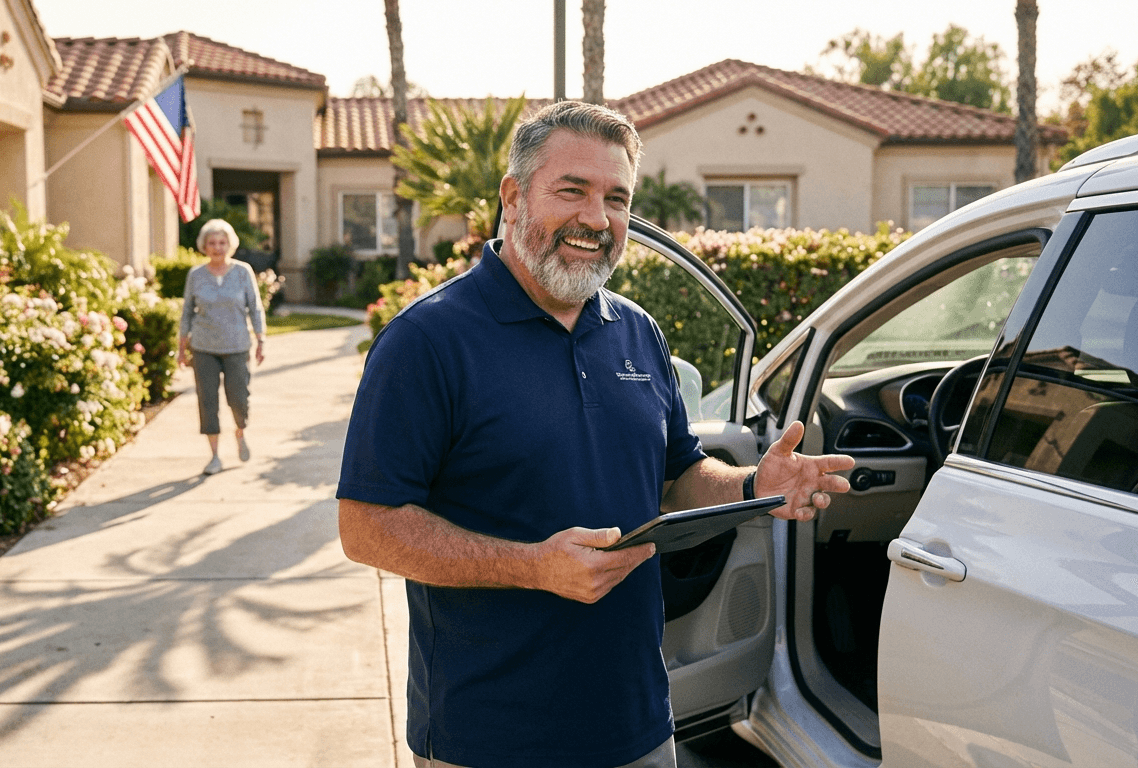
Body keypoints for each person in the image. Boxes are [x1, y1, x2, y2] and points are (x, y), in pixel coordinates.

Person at [336, 101, 855, 768]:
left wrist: (754, 484)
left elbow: (679, 475)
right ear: (514, 197)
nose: (595, 218)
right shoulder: (427, 340)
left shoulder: (637, 330)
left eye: (616, 198)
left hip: (636, 723)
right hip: (488, 735)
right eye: (572, 190)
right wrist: (532, 567)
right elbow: (366, 527)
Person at [178, 218, 266, 475]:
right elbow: (187, 313)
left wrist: (261, 340)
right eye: (212, 243)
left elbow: (255, 308)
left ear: (230, 244)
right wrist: (182, 347)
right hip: (203, 346)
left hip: (237, 345)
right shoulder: (196, 275)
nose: (217, 247)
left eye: (222, 242)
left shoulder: (242, 271)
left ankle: (240, 432)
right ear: (204, 246)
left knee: (239, 398)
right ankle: (214, 456)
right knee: (207, 401)